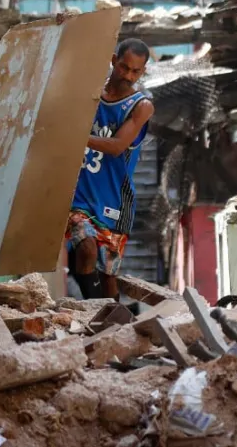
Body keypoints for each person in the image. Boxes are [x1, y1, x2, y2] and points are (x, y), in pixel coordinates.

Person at [66, 38, 155, 299]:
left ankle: (111, 320)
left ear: (143, 72)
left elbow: (117, 146)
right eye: (124, 67)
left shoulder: (141, 106)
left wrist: (75, 135)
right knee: (86, 248)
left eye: (135, 71)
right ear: (114, 60)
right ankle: (95, 309)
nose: (128, 75)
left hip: (114, 196)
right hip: (79, 191)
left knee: (108, 274)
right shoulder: (90, 94)